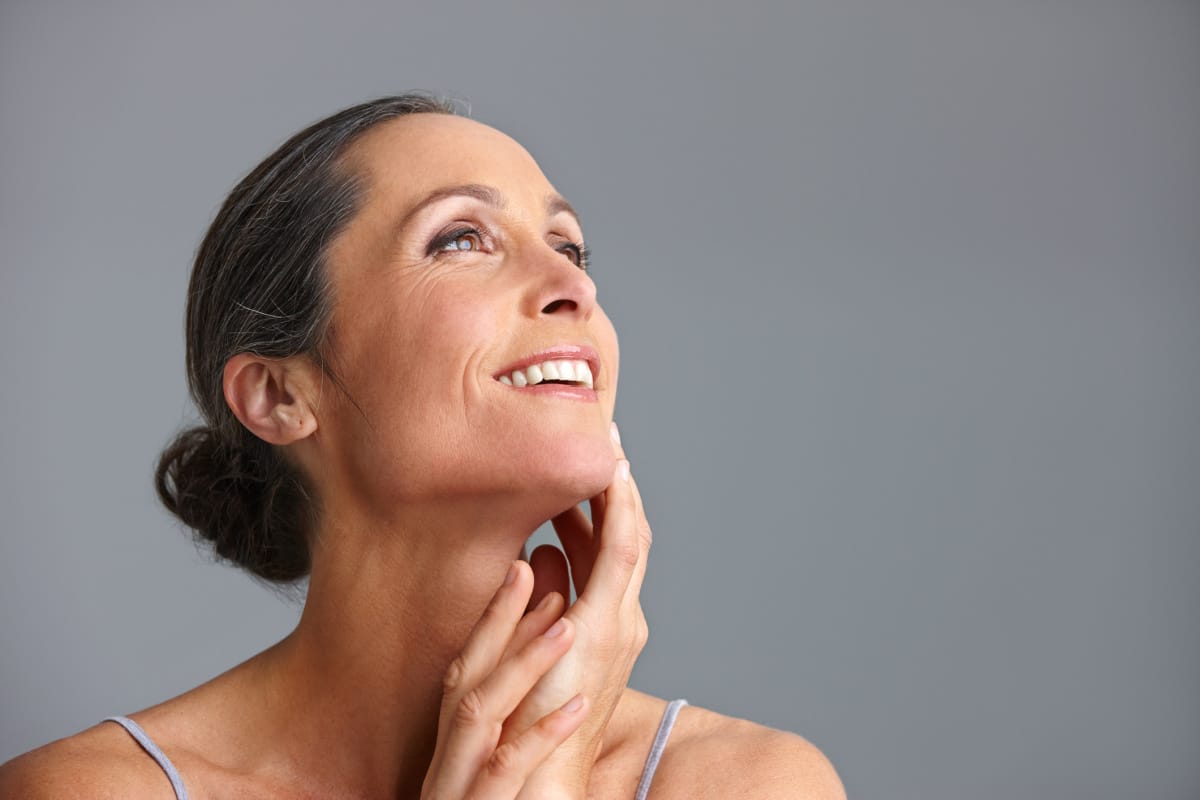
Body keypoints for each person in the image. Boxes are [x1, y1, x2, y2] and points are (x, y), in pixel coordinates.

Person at [0, 94, 844, 799]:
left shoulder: (747, 783)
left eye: (570, 246)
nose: (574, 287)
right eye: (461, 238)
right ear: (280, 394)